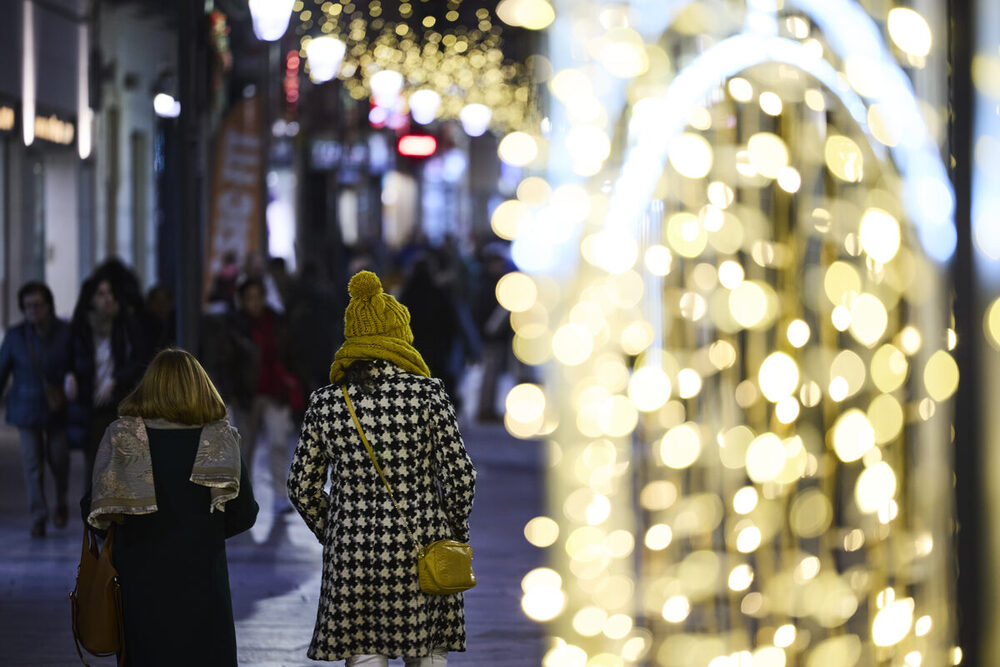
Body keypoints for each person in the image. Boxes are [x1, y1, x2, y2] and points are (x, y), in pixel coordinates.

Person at [288, 270, 476, 666]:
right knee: (425, 651)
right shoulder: (428, 395)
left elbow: (301, 487)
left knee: (365, 650)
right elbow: (459, 477)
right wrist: (451, 527)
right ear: (399, 336)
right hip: (422, 543)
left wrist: (337, 530)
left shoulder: (326, 402)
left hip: (351, 550)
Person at [83, 348, 258, 667]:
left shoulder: (122, 437)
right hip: (203, 587)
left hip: (139, 588)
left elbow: (95, 514)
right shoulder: (219, 439)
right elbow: (244, 514)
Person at [67, 267, 153, 492]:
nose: (107, 299)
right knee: (95, 461)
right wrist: (69, 375)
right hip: (91, 401)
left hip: (120, 400)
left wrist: (115, 379)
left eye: (110, 293)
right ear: (91, 298)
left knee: (122, 460)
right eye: (101, 294)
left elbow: (139, 359)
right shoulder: (82, 326)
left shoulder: (124, 325)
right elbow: (69, 356)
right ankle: (95, 514)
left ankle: (117, 515)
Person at [0, 282, 73, 537]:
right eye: (28, 306)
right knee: (32, 464)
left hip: (56, 409)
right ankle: (39, 516)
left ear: (48, 306)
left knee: (60, 459)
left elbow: (76, 362)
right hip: (26, 408)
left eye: (38, 305)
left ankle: (61, 500)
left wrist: (72, 380)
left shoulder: (64, 333)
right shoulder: (15, 336)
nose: (33, 310)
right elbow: (2, 371)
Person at [229, 277, 302, 513]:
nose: (254, 303)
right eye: (249, 298)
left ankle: (280, 496)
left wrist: (292, 377)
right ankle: (243, 499)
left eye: (258, 296)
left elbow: (292, 352)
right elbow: (226, 359)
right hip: (246, 394)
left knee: (278, 442)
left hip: (275, 391)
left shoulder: (277, 322)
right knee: (244, 448)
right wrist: (231, 391)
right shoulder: (236, 325)